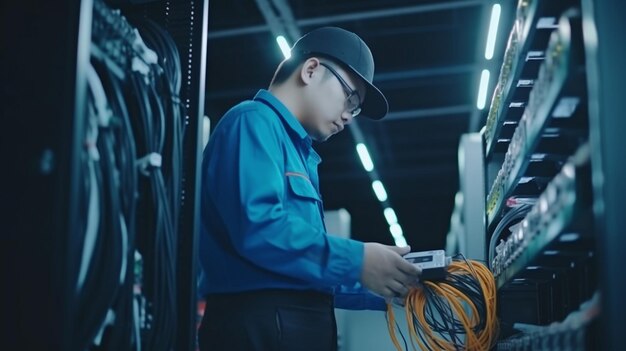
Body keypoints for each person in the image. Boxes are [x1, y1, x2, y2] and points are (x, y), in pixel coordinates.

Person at [197, 27, 421, 351]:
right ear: (311, 70)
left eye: (355, 108)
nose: (349, 116)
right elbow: (259, 229)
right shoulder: (251, 122)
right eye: (350, 97)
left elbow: (300, 266)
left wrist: (390, 282)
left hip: (285, 325)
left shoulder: (298, 153)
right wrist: (358, 260)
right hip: (257, 327)